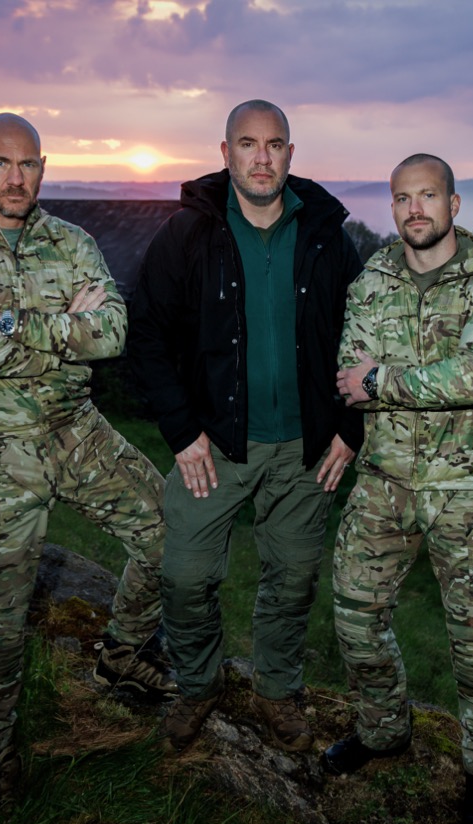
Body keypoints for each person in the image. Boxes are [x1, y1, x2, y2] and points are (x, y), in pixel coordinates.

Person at [0, 113, 173, 815]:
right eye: (1, 163)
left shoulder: (73, 241)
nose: (16, 177)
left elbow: (111, 332)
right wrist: (64, 328)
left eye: (28, 164)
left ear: (44, 167)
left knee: (170, 528)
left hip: (75, 428)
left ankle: (121, 653)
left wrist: (8, 325)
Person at [128, 99, 364, 754]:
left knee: (291, 579)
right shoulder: (188, 236)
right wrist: (181, 430)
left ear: (291, 153)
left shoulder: (325, 237)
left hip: (306, 448)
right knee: (184, 576)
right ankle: (198, 683)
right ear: (225, 151)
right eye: (248, 143)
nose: (262, 157)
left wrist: (350, 428)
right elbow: (145, 334)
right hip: (215, 444)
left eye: (275, 144)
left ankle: (277, 688)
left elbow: (369, 338)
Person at [322, 153, 473, 824]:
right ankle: (383, 730)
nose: (415, 209)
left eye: (428, 195)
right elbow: (350, 372)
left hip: (467, 491)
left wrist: (384, 380)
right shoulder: (372, 278)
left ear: (454, 204)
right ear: (392, 207)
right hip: (386, 481)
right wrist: (380, 380)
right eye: (403, 198)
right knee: (354, 613)